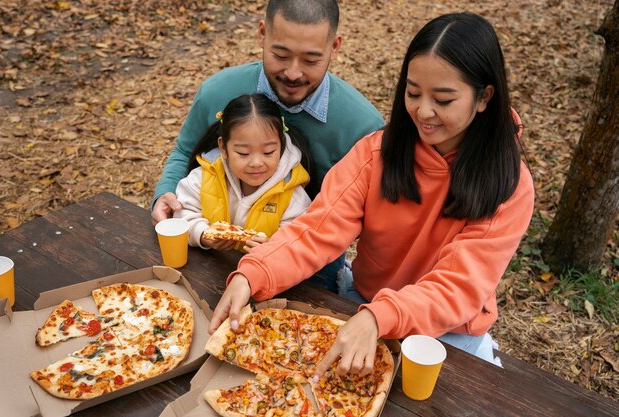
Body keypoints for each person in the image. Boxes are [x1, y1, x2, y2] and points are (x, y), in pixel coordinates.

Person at [208, 12, 535, 380]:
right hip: (363, 304)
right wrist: (253, 274)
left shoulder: (509, 183)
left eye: (443, 99)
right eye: (413, 93)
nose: (423, 112)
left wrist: (380, 317)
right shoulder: (376, 154)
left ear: (484, 97)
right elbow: (317, 230)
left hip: (448, 333)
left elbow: (458, 288)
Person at [152, 0, 384, 291]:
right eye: (280, 54)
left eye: (311, 60)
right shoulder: (217, 92)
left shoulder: (362, 126)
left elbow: (366, 214)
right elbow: (186, 152)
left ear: (334, 47)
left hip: (309, 263)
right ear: (262, 34)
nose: (293, 73)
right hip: (214, 245)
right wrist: (165, 192)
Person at [174, 94, 312, 253]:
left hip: (261, 273)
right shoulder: (203, 178)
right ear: (223, 148)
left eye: (268, 152)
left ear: (281, 146)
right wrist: (202, 233)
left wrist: (273, 249)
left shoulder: (291, 194)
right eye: (243, 153)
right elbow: (183, 215)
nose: (256, 163)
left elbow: (298, 239)